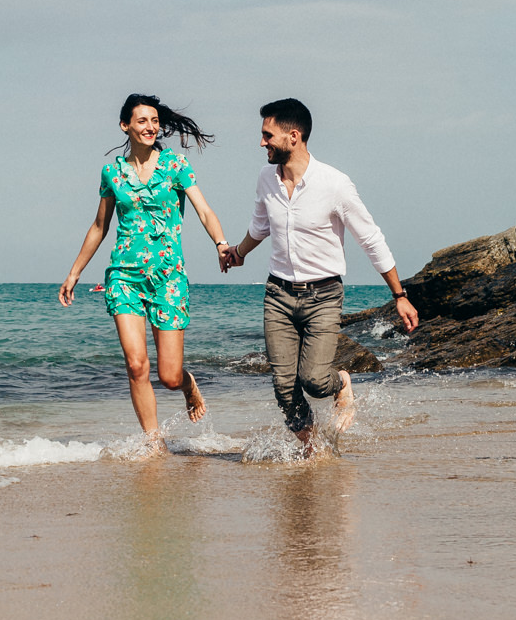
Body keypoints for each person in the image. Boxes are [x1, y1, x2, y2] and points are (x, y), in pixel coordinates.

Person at [222, 98, 419, 452]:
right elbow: (260, 226)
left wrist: (399, 295)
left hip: (324, 296)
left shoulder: (335, 184)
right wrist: (239, 253)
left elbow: (371, 239)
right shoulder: (266, 178)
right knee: (284, 387)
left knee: (313, 380)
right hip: (278, 295)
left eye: (268, 135)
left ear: (293, 136)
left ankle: (342, 382)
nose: (262, 143)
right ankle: (313, 449)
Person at [59, 94, 233, 446]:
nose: (150, 127)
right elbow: (99, 226)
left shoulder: (176, 166)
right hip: (124, 276)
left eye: (154, 121)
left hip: (168, 277)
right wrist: (75, 271)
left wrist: (221, 243)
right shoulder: (113, 172)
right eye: (142, 121)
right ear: (125, 125)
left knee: (168, 376)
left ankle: (189, 385)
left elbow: (203, 210)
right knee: (137, 365)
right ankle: (154, 445)